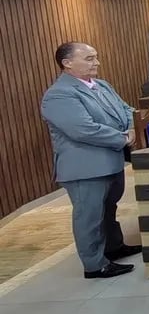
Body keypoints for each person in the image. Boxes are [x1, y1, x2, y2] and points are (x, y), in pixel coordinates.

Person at [40, 42, 140, 279]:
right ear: (67, 63)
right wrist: (122, 138)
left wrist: (132, 127)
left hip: (111, 160)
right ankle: (94, 265)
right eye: (89, 58)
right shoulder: (59, 94)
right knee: (89, 217)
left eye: (95, 57)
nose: (97, 62)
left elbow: (127, 109)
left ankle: (114, 247)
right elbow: (82, 129)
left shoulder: (102, 85)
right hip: (85, 167)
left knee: (109, 209)